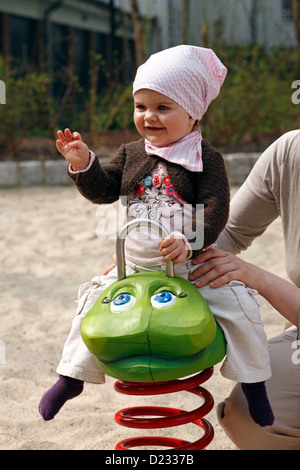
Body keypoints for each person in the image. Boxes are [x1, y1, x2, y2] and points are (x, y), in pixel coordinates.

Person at [39, 45, 273, 427]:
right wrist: (83, 165)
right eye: (141, 106)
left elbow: (216, 210)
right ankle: (70, 377)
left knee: (242, 310)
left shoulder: (206, 159)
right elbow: (104, 189)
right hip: (132, 267)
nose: (149, 117)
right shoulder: (132, 152)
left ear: (193, 111)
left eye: (164, 107)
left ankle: (255, 386)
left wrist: (190, 242)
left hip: (190, 266)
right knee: (90, 301)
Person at [188, 129, 300, 449]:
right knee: (249, 415)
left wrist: (259, 279)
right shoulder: (291, 152)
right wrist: (154, 256)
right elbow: (227, 233)